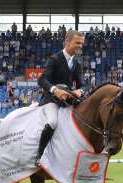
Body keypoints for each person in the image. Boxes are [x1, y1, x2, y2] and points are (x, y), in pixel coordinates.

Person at [35, 30, 85, 164]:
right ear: (67, 42)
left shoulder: (77, 63)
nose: (80, 46)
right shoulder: (54, 59)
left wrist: (80, 91)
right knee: (53, 122)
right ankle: (39, 156)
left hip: (67, 101)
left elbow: (82, 85)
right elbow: (42, 80)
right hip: (50, 100)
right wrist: (55, 90)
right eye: (77, 43)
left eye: (81, 43)